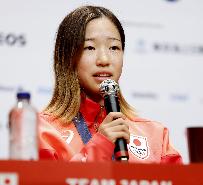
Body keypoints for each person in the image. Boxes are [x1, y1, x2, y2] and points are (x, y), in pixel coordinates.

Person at [39, 5, 182, 163]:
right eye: (90, 47)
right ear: (67, 57)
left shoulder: (155, 135)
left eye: (114, 47)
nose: (104, 60)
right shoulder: (43, 130)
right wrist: (101, 144)